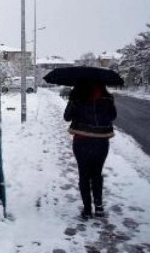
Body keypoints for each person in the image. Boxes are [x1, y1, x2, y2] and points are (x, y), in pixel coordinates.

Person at [63, 81, 117, 220]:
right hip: (101, 141)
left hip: (82, 141)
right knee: (97, 174)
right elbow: (113, 116)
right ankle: (99, 207)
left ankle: (87, 210)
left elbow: (67, 117)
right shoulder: (107, 98)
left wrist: (73, 101)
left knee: (84, 175)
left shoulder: (77, 97)